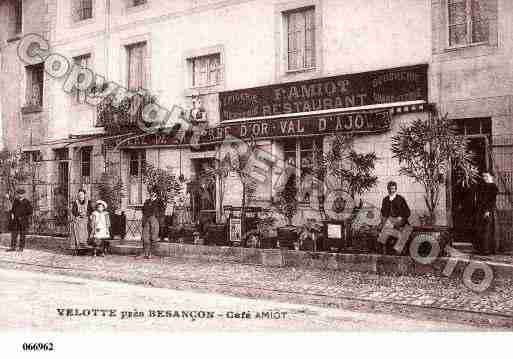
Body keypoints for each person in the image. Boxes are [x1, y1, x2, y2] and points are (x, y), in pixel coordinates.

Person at [378, 181, 412, 255]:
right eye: (390, 189)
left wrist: (401, 217)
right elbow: (383, 213)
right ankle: (384, 253)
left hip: (400, 221)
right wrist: (384, 220)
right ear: (388, 189)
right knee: (383, 232)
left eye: (393, 189)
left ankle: (398, 252)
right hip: (389, 221)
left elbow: (407, 212)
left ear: (396, 189)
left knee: (405, 231)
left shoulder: (400, 199)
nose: (391, 191)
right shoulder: (385, 200)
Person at [473, 172, 499, 256]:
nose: (485, 178)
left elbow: (492, 200)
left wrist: (488, 211)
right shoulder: (483, 186)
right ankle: (481, 249)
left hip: (489, 210)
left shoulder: (493, 187)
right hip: (482, 210)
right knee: (481, 229)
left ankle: (488, 249)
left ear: (492, 177)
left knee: (488, 230)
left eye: (487, 176)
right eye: (483, 176)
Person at [141, 188, 164, 259]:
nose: (152, 193)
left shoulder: (159, 202)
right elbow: (143, 210)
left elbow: (162, 211)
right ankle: (146, 253)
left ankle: (152, 253)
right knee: (145, 236)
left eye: (153, 192)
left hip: (155, 219)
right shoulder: (147, 201)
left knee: (153, 237)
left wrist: (158, 219)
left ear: (156, 193)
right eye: (151, 192)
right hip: (146, 219)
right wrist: (144, 219)